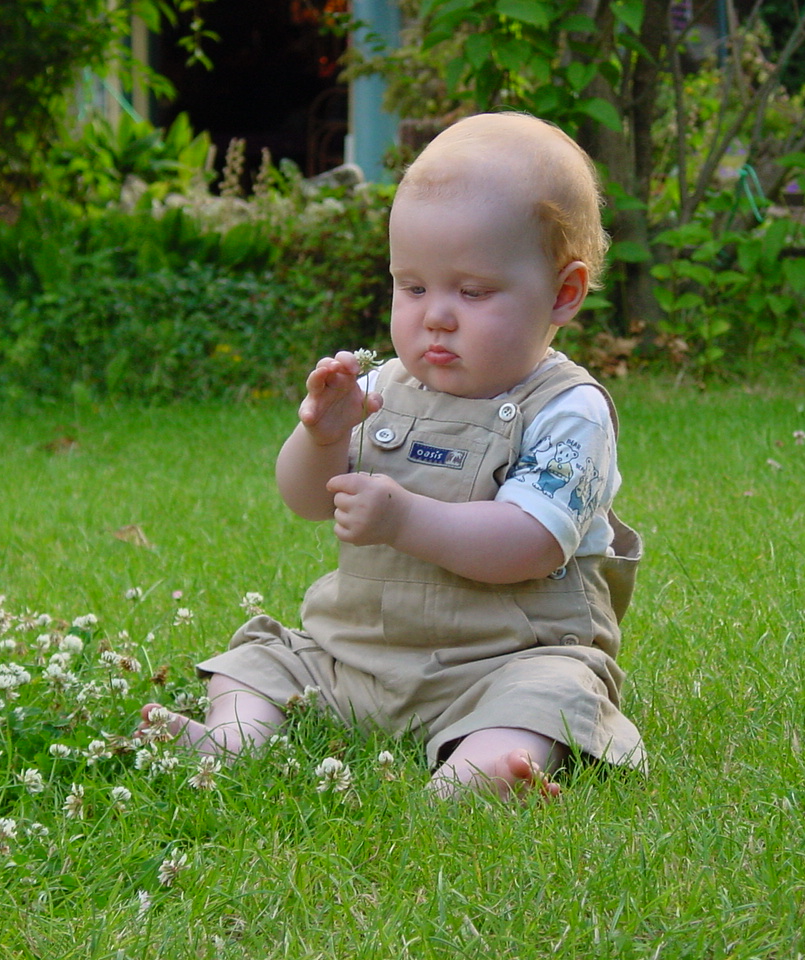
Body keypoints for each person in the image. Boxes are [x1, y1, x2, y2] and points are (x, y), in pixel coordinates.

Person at [142, 112, 644, 799]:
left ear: (563, 293)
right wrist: (319, 438)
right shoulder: (383, 388)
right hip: (360, 656)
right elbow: (307, 500)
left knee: (552, 697)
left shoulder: (567, 411)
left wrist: (405, 520)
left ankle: (486, 763)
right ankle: (234, 734)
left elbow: (530, 543)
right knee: (263, 658)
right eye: (412, 286)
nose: (436, 315)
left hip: (503, 663)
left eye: (472, 292)